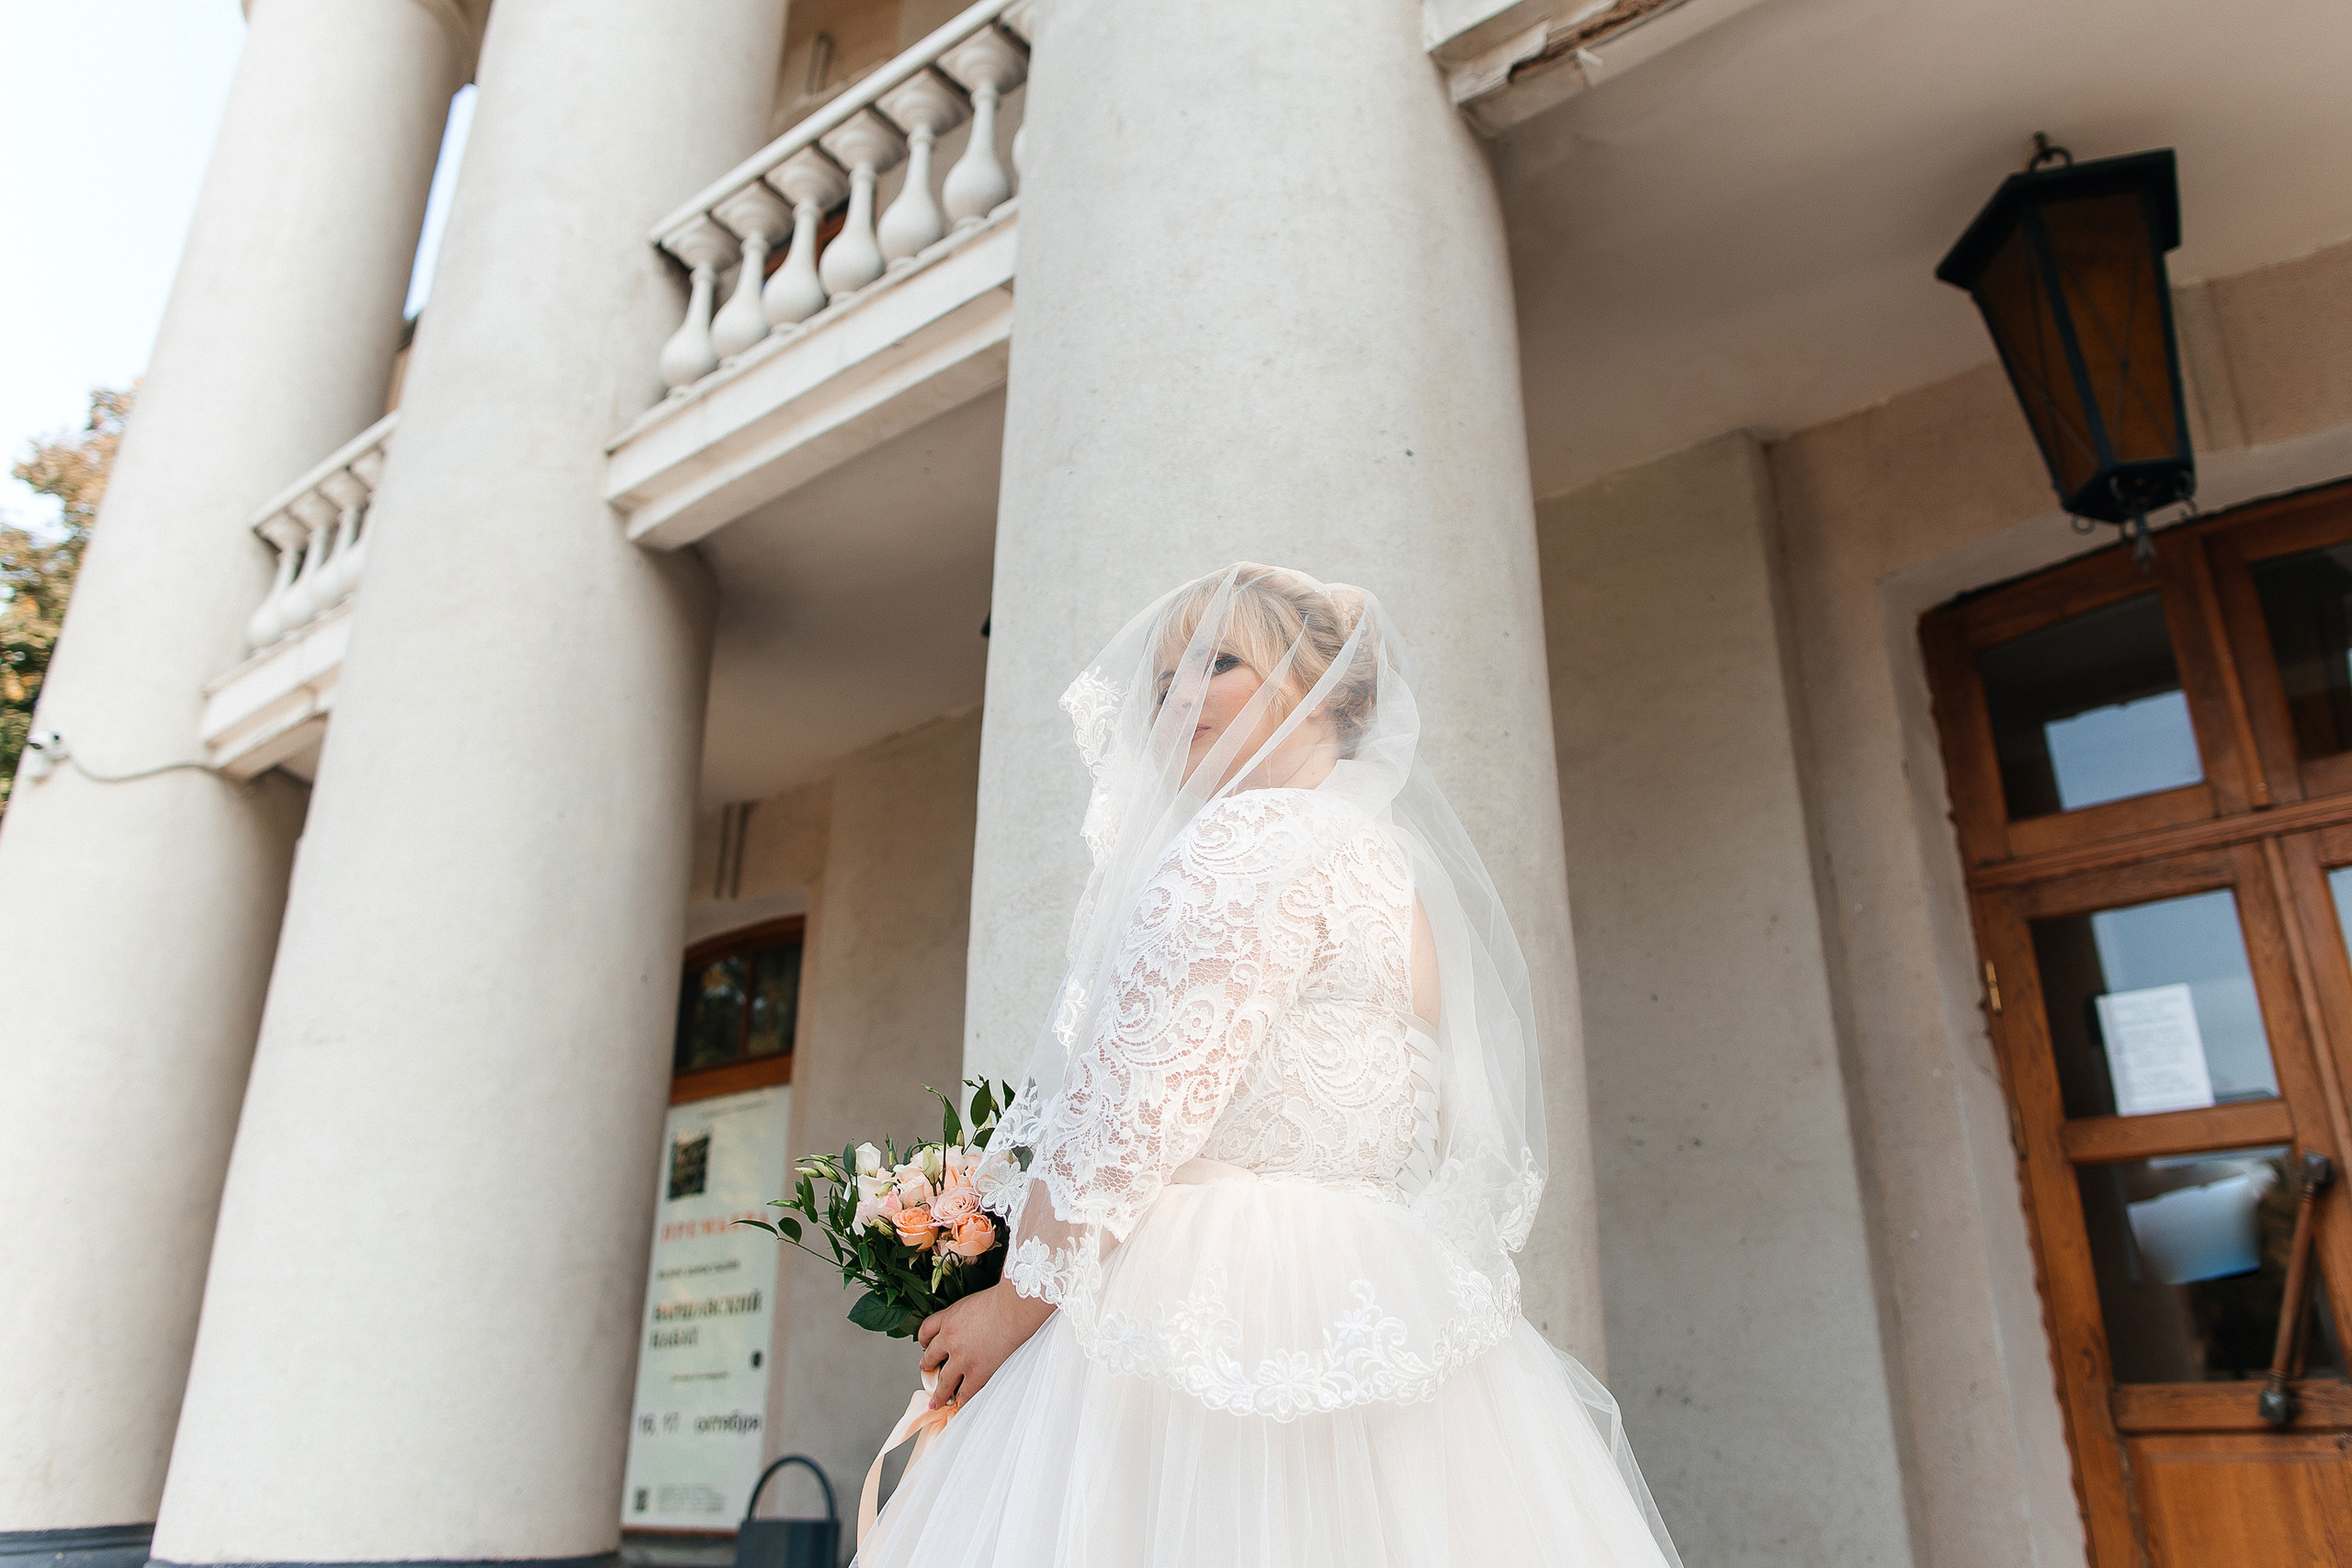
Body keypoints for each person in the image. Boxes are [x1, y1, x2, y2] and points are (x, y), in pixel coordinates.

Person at [860, 564, 1681, 1566]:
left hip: (1200, 1292)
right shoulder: (1386, 866)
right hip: (1374, 1291)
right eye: (1161, 678)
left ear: (1320, 691)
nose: (1174, 698)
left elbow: (1138, 1102)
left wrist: (1010, 1303)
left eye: (1218, 663)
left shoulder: (1247, 838)